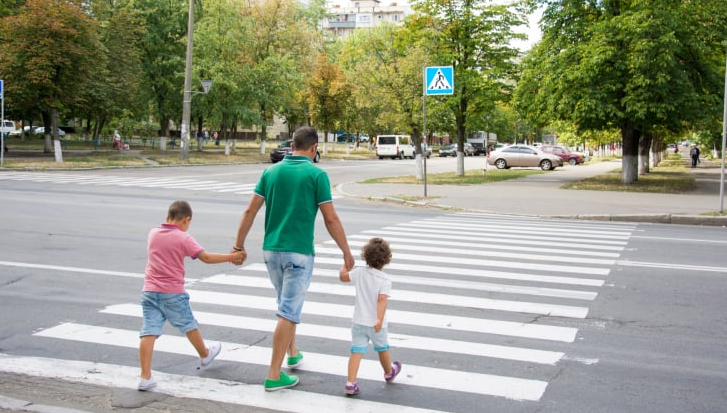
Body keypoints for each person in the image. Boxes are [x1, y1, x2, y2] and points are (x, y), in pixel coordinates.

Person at [233, 125, 355, 392]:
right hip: (298, 252)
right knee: (288, 311)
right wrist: (346, 252)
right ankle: (274, 375)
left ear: (291, 145)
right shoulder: (316, 174)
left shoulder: (270, 171)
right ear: (313, 149)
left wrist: (238, 246)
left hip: (271, 251)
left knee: (284, 306)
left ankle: (293, 353)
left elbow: (249, 211)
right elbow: (330, 218)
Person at [138, 200, 246, 391]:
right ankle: (204, 354)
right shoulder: (182, 238)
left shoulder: (153, 233)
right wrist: (232, 257)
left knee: (148, 331)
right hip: (172, 292)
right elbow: (205, 257)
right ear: (186, 220)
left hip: (149, 291)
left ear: (167, 217)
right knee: (189, 324)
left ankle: (145, 376)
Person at [339, 237, 401, 396]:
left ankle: (351, 383)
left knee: (356, 352)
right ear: (387, 259)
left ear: (365, 256)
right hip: (376, 324)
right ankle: (389, 372)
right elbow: (381, 300)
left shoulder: (359, 272)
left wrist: (344, 265)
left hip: (359, 322)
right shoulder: (385, 280)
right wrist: (379, 319)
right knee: (382, 349)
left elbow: (343, 277)